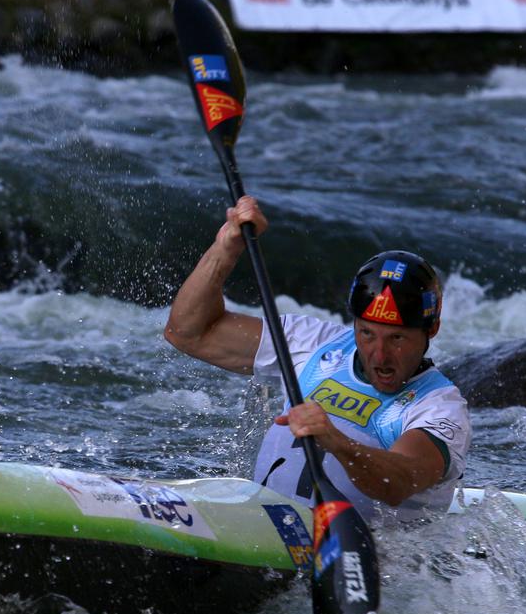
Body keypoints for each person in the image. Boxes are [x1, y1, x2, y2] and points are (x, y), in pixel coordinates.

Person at [164, 196, 470, 526]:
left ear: (432, 329)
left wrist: (336, 441)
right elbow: (188, 333)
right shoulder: (311, 342)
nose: (379, 356)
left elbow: (398, 482)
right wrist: (227, 247)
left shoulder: (439, 408)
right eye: (367, 334)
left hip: (371, 558)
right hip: (262, 528)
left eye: (397, 339)